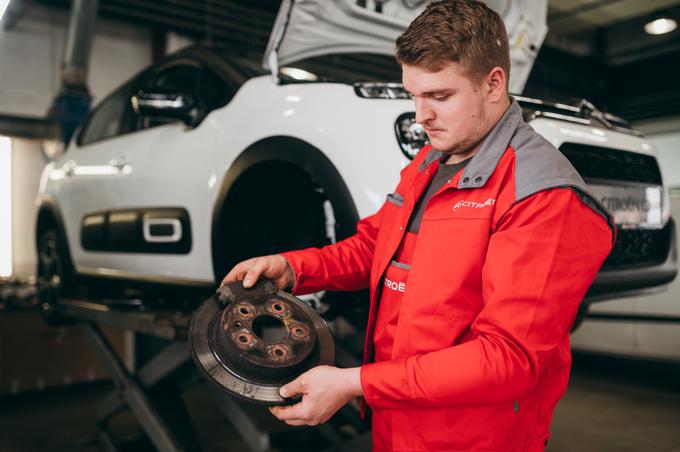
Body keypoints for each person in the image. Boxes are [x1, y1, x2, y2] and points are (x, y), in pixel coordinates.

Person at [221, 1, 615, 450]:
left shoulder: (543, 194)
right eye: (413, 94)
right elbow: (377, 247)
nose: (420, 115)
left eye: (439, 96)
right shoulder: (431, 162)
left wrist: (357, 384)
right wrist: (293, 268)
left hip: (472, 439)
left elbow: (507, 359)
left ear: (494, 84)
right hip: (395, 419)